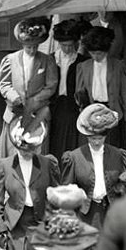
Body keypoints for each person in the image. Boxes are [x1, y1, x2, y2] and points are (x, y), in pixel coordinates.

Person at [0, 107, 60, 250]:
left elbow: (56, 195)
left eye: (31, 149)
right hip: (16, 224)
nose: (27, 153)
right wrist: (1, 226)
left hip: (40, 222)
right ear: (17, 146)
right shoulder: (4, 166)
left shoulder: (47, 164)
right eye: (23, 150)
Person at [60, 102, 126, 228]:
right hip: (84, 214)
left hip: (111, 212)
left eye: (100, 138)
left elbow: (123, 187)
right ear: (86, 136)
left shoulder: (117, 155)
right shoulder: (74, 157)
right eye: (92, 138)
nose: (96, 142)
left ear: (106, 136)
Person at [0, 15, 54, 153]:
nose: (32, 50)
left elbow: (51, 86)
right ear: (22, 45)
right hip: (15, 113)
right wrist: (13, 97)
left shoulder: (47, 60)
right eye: (29, 47)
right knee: (13, 152)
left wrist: (35, 100)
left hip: (38, 114)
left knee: (36, 152)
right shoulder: (10, 60)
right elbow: (4, 84)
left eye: (35, 47)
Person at [44, 17, 87, 160]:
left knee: (70, 141)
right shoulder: (49, 60)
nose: (67, 49)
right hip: (53, 104)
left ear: (76, 43)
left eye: (70, 45)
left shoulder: (82, 61)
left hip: (72, 105)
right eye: (63, 45)